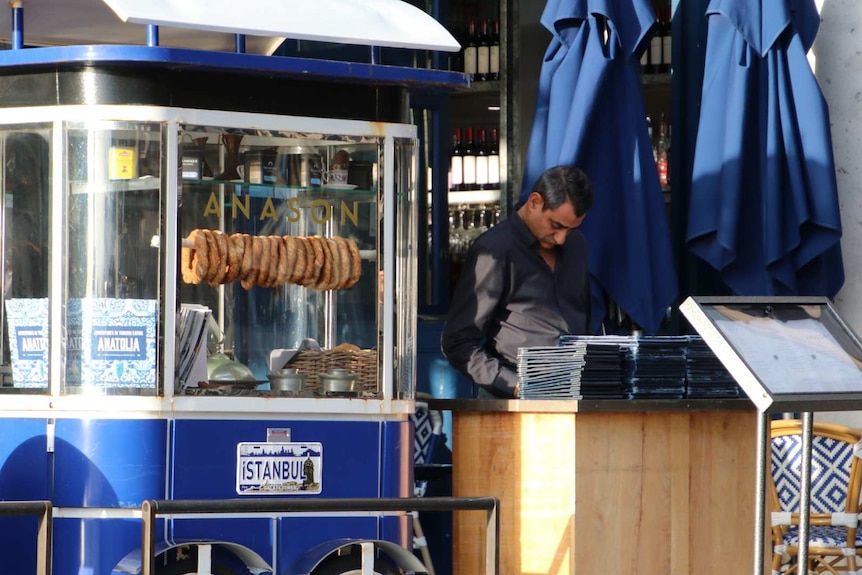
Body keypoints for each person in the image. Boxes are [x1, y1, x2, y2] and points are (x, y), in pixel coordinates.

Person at [441, 165, 594, 398]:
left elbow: (585, 319)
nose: (562, 239)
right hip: (512, 401)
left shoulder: (578, 245)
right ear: (534, 202)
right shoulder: (494, 249)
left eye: (571, 230)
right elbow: (458, 342)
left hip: (575, 394)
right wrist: (514, 385)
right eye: (556, 226)